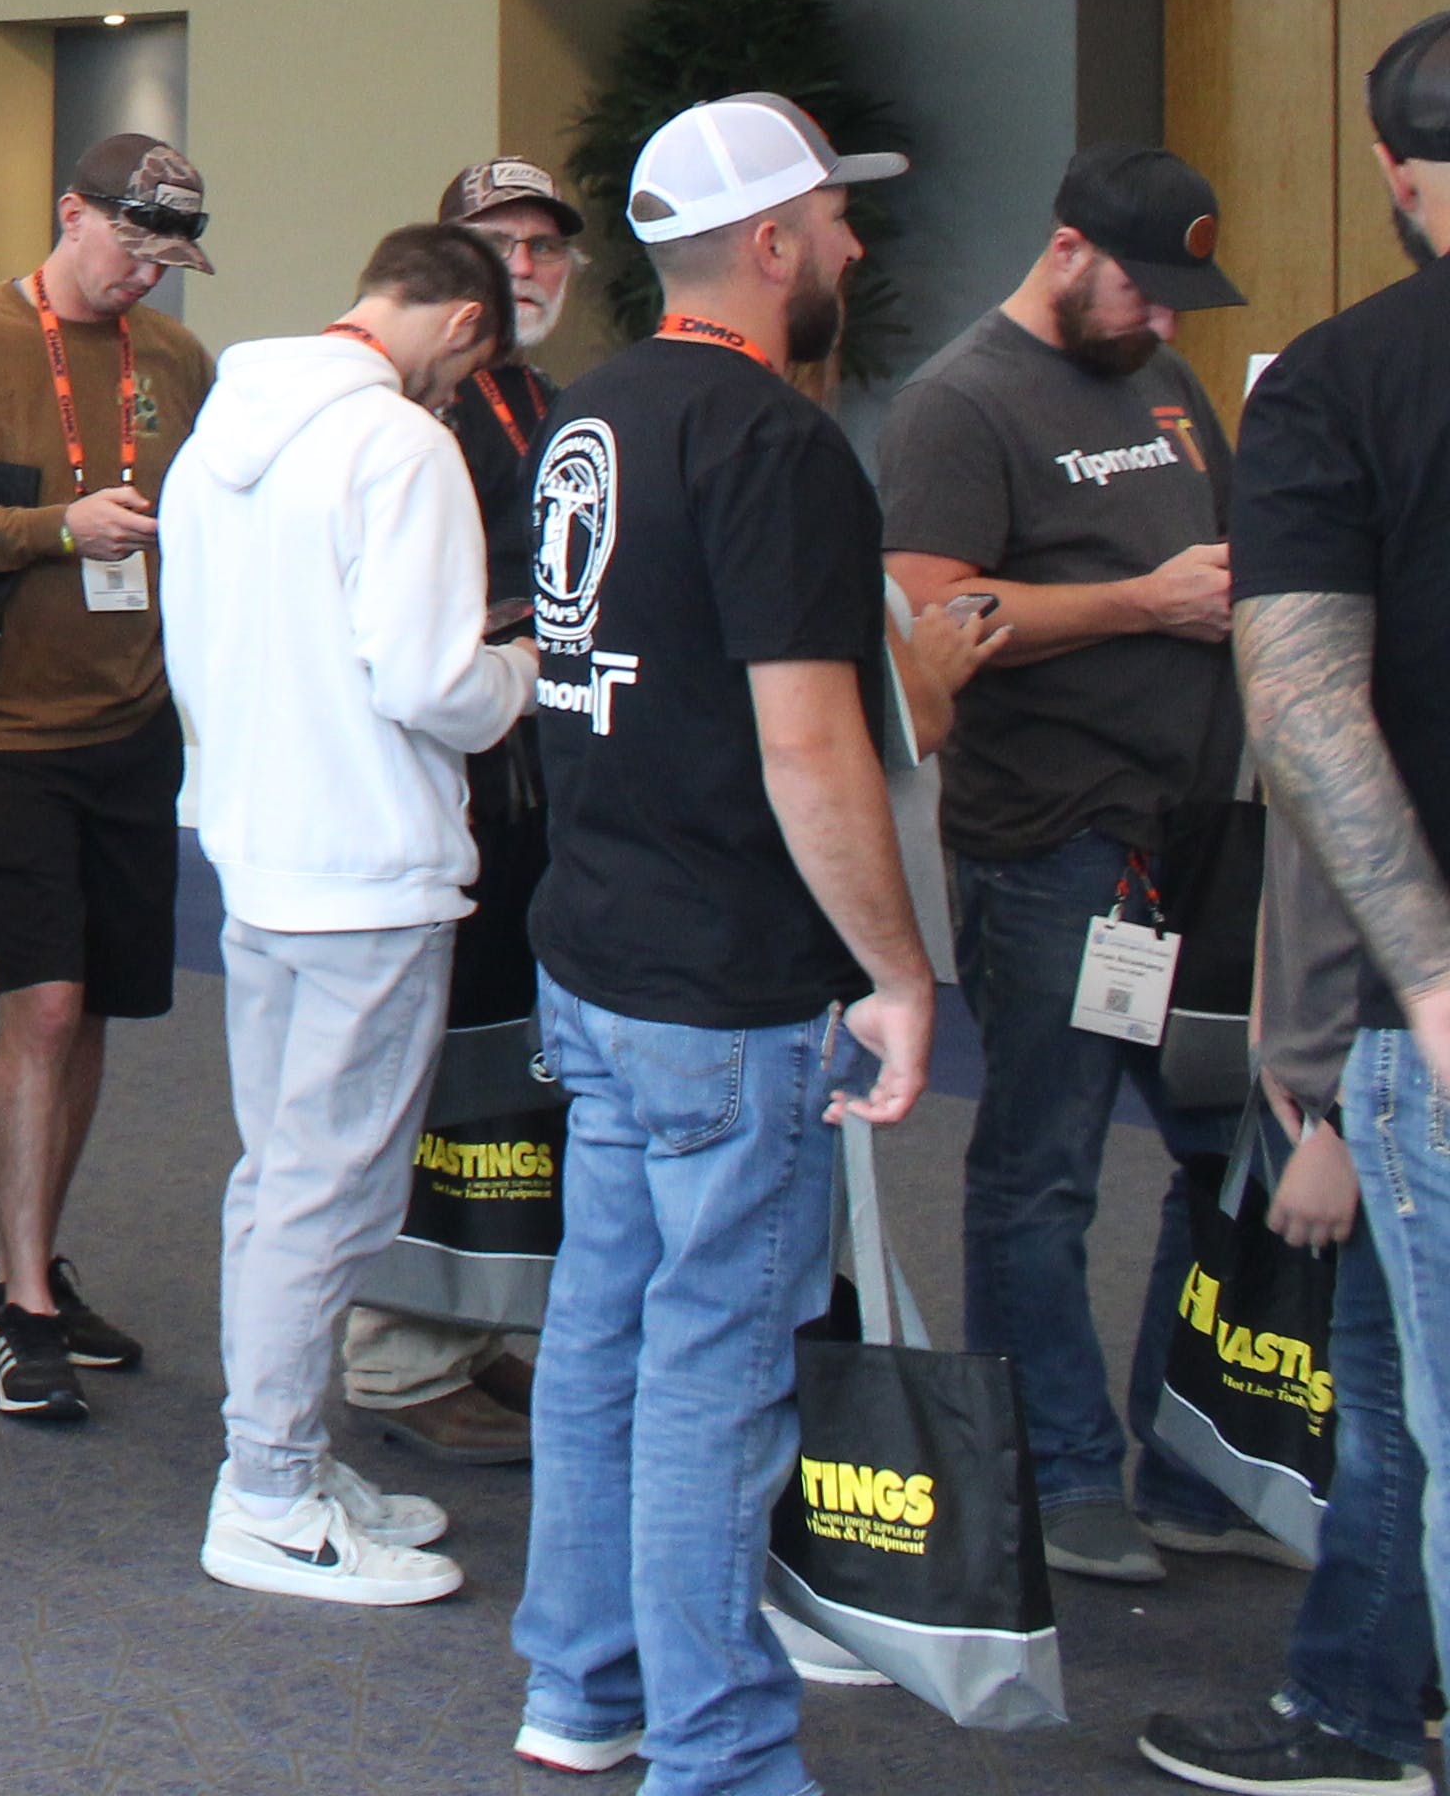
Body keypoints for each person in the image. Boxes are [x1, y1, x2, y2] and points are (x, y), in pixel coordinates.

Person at [513, 90, 937, 1787]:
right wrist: (896, 975)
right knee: (711, 1364)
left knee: (601, 1328)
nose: (849, 243)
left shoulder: (583, 417)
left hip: (596, 954)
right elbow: (807, 743)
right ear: (768, 245)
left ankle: (581, 1682)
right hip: (719, 985)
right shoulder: (775, 449)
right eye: (832, 217)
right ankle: (718, 1749)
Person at [881, 142, 1258, 1587]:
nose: (1165, 324)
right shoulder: (963, 402)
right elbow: (933, 619)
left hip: (1188, 832)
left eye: (1181, 304)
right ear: (1067, 251)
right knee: (1042, 1170)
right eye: (1145, 292)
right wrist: (1142, 606)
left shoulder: (1162, 386)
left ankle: (1191, 1456)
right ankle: (1059, 1468)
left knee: (1225, 1147)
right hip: (1053, 840)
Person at [160, 221, 530, 1606]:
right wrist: (522, 674)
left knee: (281, 1179)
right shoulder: (399, 444)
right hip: (368, 864)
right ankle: (265, 1493)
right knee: (330, 1191)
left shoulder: (221, 435)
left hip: (258, 852)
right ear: (462, 328)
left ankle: (285, 1457)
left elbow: (192, 646)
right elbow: (429, 681)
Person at [0, 126, 219, 1417]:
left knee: (103, 1011)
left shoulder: (176, 359)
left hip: (136, 728)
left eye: (171, 255)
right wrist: (56, 529)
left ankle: (36, 1269)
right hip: (8, 732)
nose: (147, 273)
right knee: (47, 1006)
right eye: (131, 241)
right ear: (69, 210)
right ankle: (19, 1302)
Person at [1233, 14, 1450, 1765]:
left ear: (1388, 174)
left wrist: (1422, 992)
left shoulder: (1337, 376)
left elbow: (1303, 713)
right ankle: (1355, 1695)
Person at [344, 155, 589, 1468]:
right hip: (445, 786)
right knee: (436, 1066)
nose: (530, 267)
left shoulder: (549, 401)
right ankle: (393, 1348)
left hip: (538, 791)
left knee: (516, 1069)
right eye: (502, 245)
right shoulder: (412, 415)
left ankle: (473, 1328)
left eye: (548, 247)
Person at [1135, 804, 1443, 1796]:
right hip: (1370, 1078)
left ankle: (1355, 1709)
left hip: (1392, 1083)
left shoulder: (1384, 688)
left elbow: (1395, 899)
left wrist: (1345, 1125)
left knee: (1393, 1418)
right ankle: (1384, 1681)